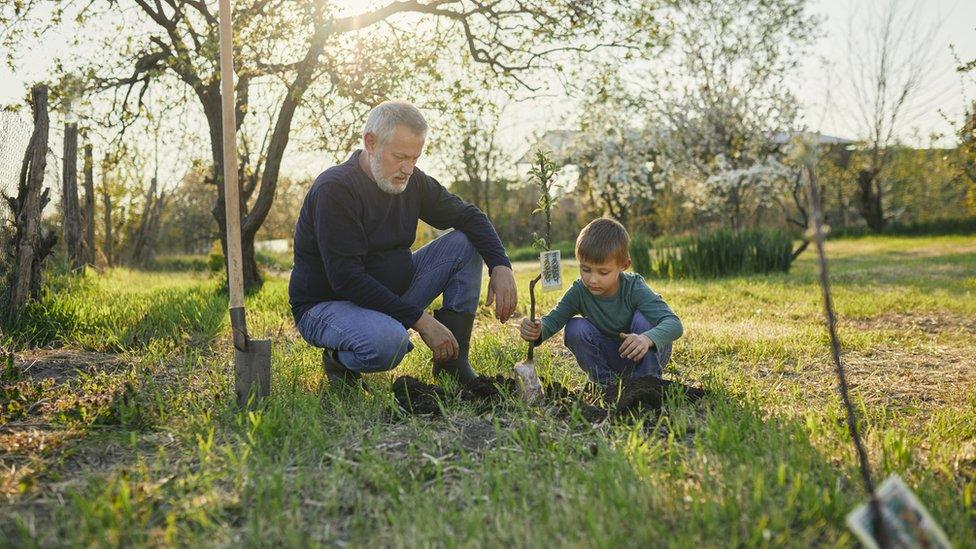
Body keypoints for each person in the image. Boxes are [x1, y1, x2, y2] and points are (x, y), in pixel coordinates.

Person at [289, 100, 517, 389]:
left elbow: (469, 216)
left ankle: (453, 367)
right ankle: (339, 361)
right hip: (327, 305)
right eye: (400, 156)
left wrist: (500, 264)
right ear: (370, 143)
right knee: (390, 344)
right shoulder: (335, 189)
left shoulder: (412, 181)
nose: (408, 169)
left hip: (390, 294)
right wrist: (420, 321)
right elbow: (346, 278)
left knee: (464, 242)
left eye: (415, 159)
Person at [519, 218, 683, 391]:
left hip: (647, 353)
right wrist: (537, 330)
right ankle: (607, 385)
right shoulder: (580, 292)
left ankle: (646, 383)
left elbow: (674, 324)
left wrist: (646, 338)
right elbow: (553, 320)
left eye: (603, 272)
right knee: (575, 327)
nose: (592, 279)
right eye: (585, 269)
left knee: (644, 318)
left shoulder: (634, 287)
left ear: (624, 265)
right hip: (611, 357)